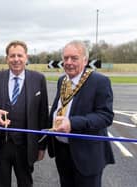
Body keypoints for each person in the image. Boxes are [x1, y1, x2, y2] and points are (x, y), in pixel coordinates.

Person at [0, 40, 49, 187]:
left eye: (20, 55)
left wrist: (42, 146)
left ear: (26, 58)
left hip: (26, 147)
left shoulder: (38, 79)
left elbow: (43, 115)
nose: (16, 59)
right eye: (12, 56)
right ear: (6, 58)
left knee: (26, 183)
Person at [46, 40, 115, 187]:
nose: (68, 62)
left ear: (85, 60)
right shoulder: (62, 81)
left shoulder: (99, 81)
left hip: (87, 154)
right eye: (65, 58)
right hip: (62, 152)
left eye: (74, 58)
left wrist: (72, 123)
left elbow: (105, 116)